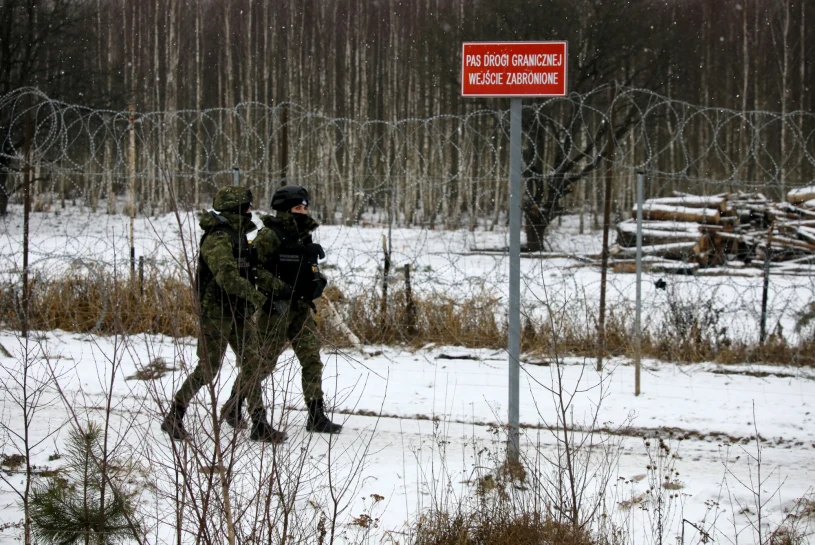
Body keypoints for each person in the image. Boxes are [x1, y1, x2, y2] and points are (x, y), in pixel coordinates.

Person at [161, 185, 286, 443]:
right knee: (208, 370)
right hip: (216, 313)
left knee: (253, 364)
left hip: (239, 311)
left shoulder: (238, 237)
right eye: (247, 207)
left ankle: (259, 423)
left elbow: (249, 271)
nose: (251, 211)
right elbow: (227, 277)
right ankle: (175, 415)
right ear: (236, 209)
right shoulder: (218, 238)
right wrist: (258, 298)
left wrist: (277, 288)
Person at [222, 185, 342, 434]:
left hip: (301, 307)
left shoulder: (303, 235)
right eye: (298, 207)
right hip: (275, 309)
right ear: (285, 209)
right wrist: (281, 288)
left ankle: (316, 415)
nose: (303, 211)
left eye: (305, 207)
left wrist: (317, 282)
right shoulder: (270, 235)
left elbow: (305, 269)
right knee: (263, 364)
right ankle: (234, 404)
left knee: (312, 359)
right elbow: (254, 269)